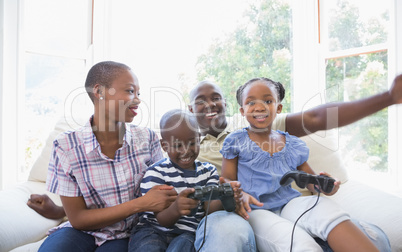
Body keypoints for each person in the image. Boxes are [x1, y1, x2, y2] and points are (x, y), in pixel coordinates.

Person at [29, 74, 402, 250]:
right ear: (189, 113)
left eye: (217, 98)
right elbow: (128, 189)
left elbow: (319, 119)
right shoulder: (173, 143)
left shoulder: (254, 127)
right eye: (200, 102)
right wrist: (61, 212)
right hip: (217, 214)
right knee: (227, 231)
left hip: (271, 204)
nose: (210, 106)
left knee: (365, 234)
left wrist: (386, 98)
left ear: (232, 105)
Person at [220, 77, 380, 252]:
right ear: (242, 111)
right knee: (297, 242)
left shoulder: (293, 144)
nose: (259, 107)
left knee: (327, 211)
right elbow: (226, 179)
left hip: (290, 203)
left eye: (267, 101)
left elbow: (310, 179)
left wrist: (324, 184)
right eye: (251, 103)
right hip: (255, 210)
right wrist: (239, 194)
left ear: (278, 107)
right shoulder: (235, 141)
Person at [36, 61, 178, 251]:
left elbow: (162, 195)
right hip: (81, 232)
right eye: (129, 91)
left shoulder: (148, 138)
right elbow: (77, 219)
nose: (137, 100)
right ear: (99, 91)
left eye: (138, 93)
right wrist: (139, 204)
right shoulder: (65, 146)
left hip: (126, 234)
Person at [128, 109, 241, 252]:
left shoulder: (208, 171)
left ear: (199, 138)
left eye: (192, 143)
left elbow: (209, 209)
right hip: (153, 230)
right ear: (164, 145)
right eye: (177, 146)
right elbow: (161, 220)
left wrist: (224, 195)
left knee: (184, 245)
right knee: (148, 247)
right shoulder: (156, 173)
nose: (186, 151)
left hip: (187, 233)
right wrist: (176, 209)